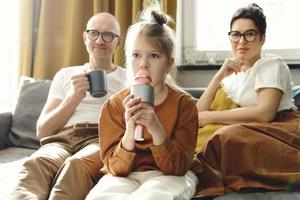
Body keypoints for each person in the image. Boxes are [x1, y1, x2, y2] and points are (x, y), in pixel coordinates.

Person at [85, 6, 198, 200]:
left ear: (169, 63)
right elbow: (115, 168)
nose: (143, 63)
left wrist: (155, 128)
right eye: (136, 55)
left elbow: (178, 167)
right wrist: (129, 132)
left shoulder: (184, 105)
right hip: (127, 175)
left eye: (154, 55)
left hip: (169, 176)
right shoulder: (114, 105)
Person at [11, 12, 126, 200]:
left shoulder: (126, 79)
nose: (99, 40)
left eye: (108, 35)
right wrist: (73, 98)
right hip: (62, 140)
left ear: (118, 42)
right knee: (37, 161)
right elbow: (42, 131)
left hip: (100, 139)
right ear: (84, 37)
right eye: (93, 33)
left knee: (77, 165)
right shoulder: (66, 75)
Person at [193, 3, 300, 197]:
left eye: (249, 34)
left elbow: (265, 113)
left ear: (262, 38)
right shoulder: (232, 76)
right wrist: (218, 76)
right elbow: (197, 115)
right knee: (202, 139)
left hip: (279, 127)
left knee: (228, 136)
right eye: (235, 34)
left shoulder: (270, 64)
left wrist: (210, 116)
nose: (241, 41)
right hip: (249, 128)